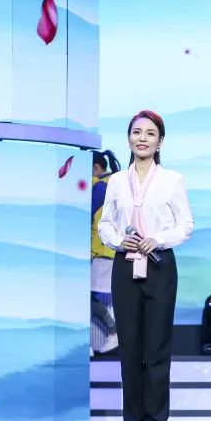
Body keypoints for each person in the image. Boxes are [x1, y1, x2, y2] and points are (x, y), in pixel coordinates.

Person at [98, 110, 194, 421]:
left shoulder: (172, 180)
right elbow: (106, 224)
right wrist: (118, 241)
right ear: (129, 138)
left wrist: (159, 239)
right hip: (125, 266)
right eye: (137, 132)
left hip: (159, 265)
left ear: (160, 141)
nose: (142, 139)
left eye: (150, 133)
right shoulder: (116, 181)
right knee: (130, 353)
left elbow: (186, 225)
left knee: (155, 352)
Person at [91, 149, 121, 355]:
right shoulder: (114, 184)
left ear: (96, 168)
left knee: (83, 296)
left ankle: (114, 330)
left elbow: (85, 215)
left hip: (102, 251)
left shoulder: (100, 187)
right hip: (108, 251)